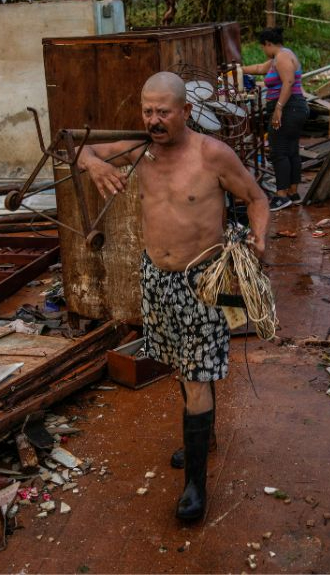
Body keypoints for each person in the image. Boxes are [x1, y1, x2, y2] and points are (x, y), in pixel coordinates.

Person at [77, 71, 270, 522]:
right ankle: (207, 438)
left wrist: (259, 241)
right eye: (148, 110)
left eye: (164, 111)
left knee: (197, 374)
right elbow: (79, 149)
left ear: (186, 111)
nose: (154, 119)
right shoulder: (139, 148)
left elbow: (257, 198)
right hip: (156, 278)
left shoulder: (213, 155)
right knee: (182, 366)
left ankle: (195, 489)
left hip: (203, 281)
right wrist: (95, 165)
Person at [242, 27, 309, 211]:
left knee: (278, 151)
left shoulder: (282, 57)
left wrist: (278, 108)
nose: (264, 51)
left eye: (263, 47)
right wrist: (236, 70)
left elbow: (288, 82)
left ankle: (281, 196)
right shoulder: (278, 58)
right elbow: (258, 68)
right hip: (294, 108)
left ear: (268, 44)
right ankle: (293, 193)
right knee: (291, 151)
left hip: (289, 108)